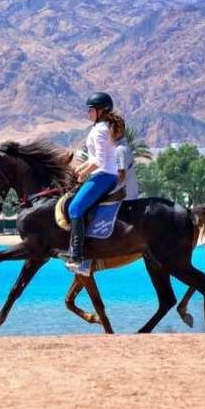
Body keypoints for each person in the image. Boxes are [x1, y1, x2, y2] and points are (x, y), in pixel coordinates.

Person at [66, 92, 124, 275]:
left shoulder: (100, 129)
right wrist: (78, 169)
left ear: (101, 110)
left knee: (75, 209)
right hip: (103, 174)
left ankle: (77, 257)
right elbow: (93, 157)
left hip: (103, 175)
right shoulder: (101, 126)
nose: (87, 113)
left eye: (90, 110)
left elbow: (98, 161)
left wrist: (83, 173)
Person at [115, 134, 139, 200]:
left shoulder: (119, 150)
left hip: (125, 199)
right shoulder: (123, 147)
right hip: (131, 195)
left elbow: (121, 176)